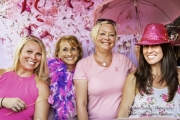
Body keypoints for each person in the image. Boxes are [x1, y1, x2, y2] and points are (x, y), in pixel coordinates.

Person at [73, 18, 136, 120]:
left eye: (111, 34)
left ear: (115, 39)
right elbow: (81, 104)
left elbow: (141, 78)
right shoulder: (83, 65)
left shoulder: (124, 60)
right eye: (102, 33)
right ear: (95, 36)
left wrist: (139, 54)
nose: (107, 38)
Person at [117, 23, 180, 118]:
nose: (149, 51)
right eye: (146, 46)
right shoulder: (134, 78)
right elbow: (123, 115)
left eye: (154, 45)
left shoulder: (178, 75)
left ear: (165, 48)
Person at [0, 35, 50, 120]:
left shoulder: (41, 86)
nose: (33, 57)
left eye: (38, 54)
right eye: (29, 51)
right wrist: (3, 101)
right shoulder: (2, 73)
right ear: (19, 52)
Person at [47, 35, 83, 120]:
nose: (69, 53)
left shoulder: (84, 72)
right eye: (65, 49)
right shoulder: (48, 72)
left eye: (73, 49)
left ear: (79, 52)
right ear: (58, 54)